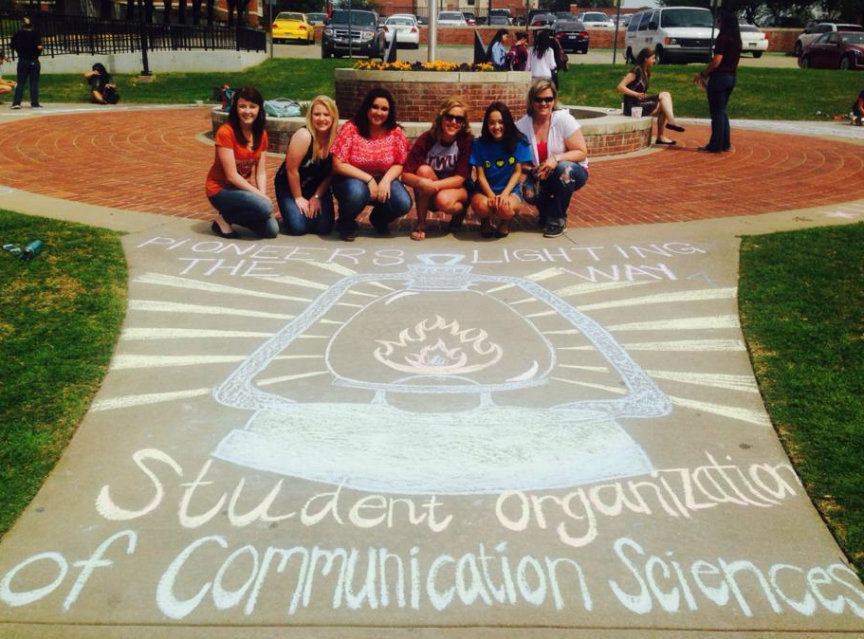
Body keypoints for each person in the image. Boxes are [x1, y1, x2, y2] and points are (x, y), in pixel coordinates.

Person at [331, 87, 412, 241]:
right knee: (356, 193)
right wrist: (368, 179)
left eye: (384, 109)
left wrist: (386, 180)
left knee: (403, 203)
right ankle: (346, 222)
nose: (378, 112)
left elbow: (399, 163)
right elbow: (338, 164)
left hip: (382, 178)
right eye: (374, 107)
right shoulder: (351, 128)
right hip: (351, 180)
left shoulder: (395, 132)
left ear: (390, 112)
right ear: (367, 107)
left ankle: (379, 218)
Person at [516, 79, 589, 238]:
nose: (544, 103)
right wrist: (533, 170)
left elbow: (582, 152)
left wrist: (555, 159)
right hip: (540, 174)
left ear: (554, 100)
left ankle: (558, 218)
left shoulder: (564, 119)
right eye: (539, 99)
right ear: (532, 100)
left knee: (564, 170)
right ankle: (547, 213)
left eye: (548, 99)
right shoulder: (522, 126)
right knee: (528, 192)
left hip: (571, 172)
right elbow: (518, 162)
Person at [204, 86, 278, 239]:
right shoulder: (226, 132)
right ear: (235, 108)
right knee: (264, 206)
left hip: (242, 191)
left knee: (271, 230)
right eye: (242, 106)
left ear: (259, 109)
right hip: (220, 190)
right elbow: (231, 176)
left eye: (252, 106)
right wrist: (260, 199)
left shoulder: (261, 134)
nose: (247, 111)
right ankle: (224, 219)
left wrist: (261, 195)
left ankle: (232, 215)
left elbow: (261, 172)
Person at [402, 97, 473, 241]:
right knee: (423, 171)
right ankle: (421, 224)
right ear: (441, 116)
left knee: (443, 200)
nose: (453, 122)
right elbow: (405, 174)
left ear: (463, 123)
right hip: (431, 186)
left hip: (458, 189)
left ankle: (460, 212)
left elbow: (460, 179)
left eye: (459, 119)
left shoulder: (466, 140)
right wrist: (422, 183)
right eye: (449, 117)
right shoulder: (427, 139)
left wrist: (432, 186)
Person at [274, 95, 338, 236]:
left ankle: (306, 212)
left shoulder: (335, 140)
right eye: (317, 114)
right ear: (310, 116)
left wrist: (317, 196)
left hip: (316, 187)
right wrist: (298, 197)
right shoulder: (304, 136)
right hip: (291, 186)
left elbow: (330, 174)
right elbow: (291, 170)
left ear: (333, 117)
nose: (322, 119)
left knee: (324, 228)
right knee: (299, 227)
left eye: (326, 115)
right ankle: (292, 213)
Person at [469, 101, 532, 239]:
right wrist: (491, 196)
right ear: (486, 125)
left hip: (509, 191)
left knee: (505, 209)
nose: (496, 127)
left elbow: (517, 172)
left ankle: (505, 222)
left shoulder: (519, 142)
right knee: (483, 207)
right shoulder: (479, 144)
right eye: (491, 123)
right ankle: (485, 221)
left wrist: (504, 195)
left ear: (508, 123)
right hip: (484, 191)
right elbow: (480, 176)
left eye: (501, 122)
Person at [693, 10, 741, 153]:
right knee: (722, 111)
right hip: (731, 78)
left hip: (719, 79)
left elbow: (717, 61)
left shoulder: (723, 38)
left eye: (719, 20)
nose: (717, 23)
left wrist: (703, 74)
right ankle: (725, 143)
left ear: (724, 23)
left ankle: (715, 145)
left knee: (717, 113)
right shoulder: (736, 39)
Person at [617, 47, 685, 145]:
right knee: (663, 104)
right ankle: (664, 132)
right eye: (653, 58)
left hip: (640, 102)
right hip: (632, 106)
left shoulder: (647, 72)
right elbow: (620, 87)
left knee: (665, 95)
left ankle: (668, 125)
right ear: (645, 58)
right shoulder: (636, 70)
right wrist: (636, 94)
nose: (654, 61)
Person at [10, 17, 43, 110]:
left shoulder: (17, 34)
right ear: (31, 26)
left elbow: (12, 46)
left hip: (22, 60)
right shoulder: (35, 34)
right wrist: (37, 53)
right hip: (33, 60)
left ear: (22, 25)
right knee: (34, 83)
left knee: (20, 82)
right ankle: (34, 103)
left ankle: (16, 103)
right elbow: (39, 47)